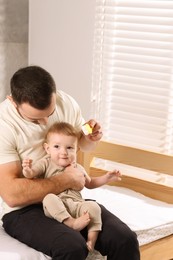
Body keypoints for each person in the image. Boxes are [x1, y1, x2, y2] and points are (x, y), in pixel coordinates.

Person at [0, 65, 140, 260]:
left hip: (70, 199)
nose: (45, 122)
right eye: (35, 119)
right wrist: (65, 180)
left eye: (50, 113)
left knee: (125, 239)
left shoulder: (66, 102)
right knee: (72, 248)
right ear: (12, 101)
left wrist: (91, 137)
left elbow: (81, 141)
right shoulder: (3, 124)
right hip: (25, 210)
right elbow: (12, 195)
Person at [22, 121, 122, 251]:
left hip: (77, 205)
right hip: (57, 206)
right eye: (57, 147)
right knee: (48, 198)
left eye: (69, 148)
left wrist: (107, 177)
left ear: (77, 150)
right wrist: (27, 170)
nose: (63, 152)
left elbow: (90, 183)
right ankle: (71, 223)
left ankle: (92, 239)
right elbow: (32, 174)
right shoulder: (46, 163)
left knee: (94, 207)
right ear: (47, 149)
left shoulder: (78, 167)